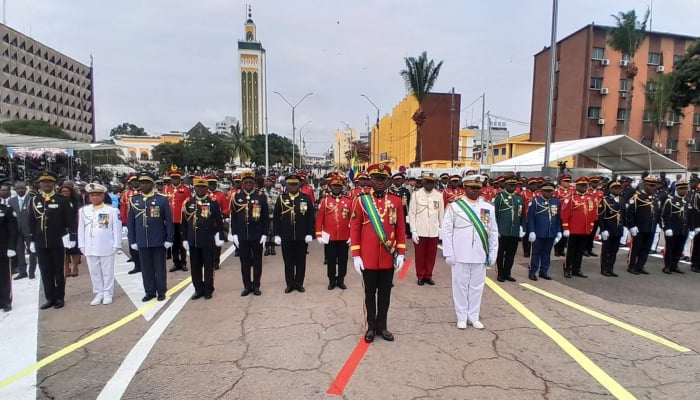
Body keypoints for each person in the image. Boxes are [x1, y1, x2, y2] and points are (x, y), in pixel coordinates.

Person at [350, 163, 406, 342]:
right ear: (370, 180)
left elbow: (400, 228)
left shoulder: (396, 201)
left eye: (383, 179)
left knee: (385, 293)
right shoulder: (361, 200)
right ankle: (371, 326)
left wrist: (401, 252)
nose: (380, 182)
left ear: (389, 181)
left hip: (388, 256)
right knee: (369, 293)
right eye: (376, 178)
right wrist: (356, 255)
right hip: (368, 257)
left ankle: (383, 326)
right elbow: (355, 228)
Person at [441, 175, 498, 330]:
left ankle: (473, 316)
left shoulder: (488, 208)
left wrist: (493, 253)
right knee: (460, 286)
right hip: (460, 253)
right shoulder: (455, 206)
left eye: (478, 188)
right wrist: (449, 252)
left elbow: (493, 232)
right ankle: (461, 316)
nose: (475, 190)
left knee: (477, 287)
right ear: (465, 188)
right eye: (472, 187)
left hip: (480, 254)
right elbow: (446, 231)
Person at [28, 171, 77, 310]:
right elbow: (31, 222)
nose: (46, 184)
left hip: (57, 241)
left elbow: (70, 220)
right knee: (45, 270)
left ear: (54, 184)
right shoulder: (34, 200)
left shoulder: (62, 200)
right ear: (40, 184)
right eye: (43, 182)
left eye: (49, 182)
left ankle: (60, 297)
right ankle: (50, 298)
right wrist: (31, 240)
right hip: (40, 242)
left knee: (58, 270)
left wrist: (72, 236)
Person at [127, 172, 174, 302]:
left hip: (158, 239)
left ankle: (161, 291)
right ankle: (149, 291)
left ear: (152, 184)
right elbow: (131, 222)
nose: (143, 185)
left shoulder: (161, 199)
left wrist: (169, 238)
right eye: (141, 183)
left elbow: (168, 220)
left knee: (159, 268)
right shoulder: (134, 200)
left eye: (146, 183)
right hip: (142, 240)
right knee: (146, 268)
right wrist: (132, 240)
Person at [78, 183, 122, 306]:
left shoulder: (111, 210)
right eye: (92, 195)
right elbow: (81, 229)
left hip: (106, 245)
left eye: (97, 195)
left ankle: (108, 292)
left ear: (103, 196)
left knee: (107, 271)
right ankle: (99, 292)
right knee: (94, 271)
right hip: (89, 246)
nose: (94, 197)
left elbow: (116, 228)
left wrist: (116, 244)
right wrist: (81, 244)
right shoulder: (83, 210)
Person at [182, 177, 224, 300]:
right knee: (195, 267)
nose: (200, 189)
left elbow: (219, 221)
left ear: (206, 188)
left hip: (207, 239)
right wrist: (184, 238)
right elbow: (184, 223)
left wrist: (220, 235)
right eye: (198, 187)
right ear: (194, 188)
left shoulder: (212, 202)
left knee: (208, 266)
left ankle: (208, 289)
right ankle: (198, 289)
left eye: (203, 187)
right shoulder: (188, 203)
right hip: (193, 240)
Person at [274, 173, 315, 293]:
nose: (293, 187)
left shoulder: (305, 198)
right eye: (290, 184)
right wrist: (276, 234)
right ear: (286, 185)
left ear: (299, 185)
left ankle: (299, 283)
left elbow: (310, 218)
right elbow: (276, 218)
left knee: (301, 261)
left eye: (295, 184)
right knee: (288, 261)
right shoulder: (281, 198)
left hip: (302, 236)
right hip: (286, 235)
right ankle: (290, 283)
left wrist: (310, 233)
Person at [230, 170, 268, 296]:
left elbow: (265, 217)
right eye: (245, 182)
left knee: (257, 262)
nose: (248, 184)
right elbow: (234, 217)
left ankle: (256, 285)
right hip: (242, 235)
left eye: (250, 182)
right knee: (244, 262)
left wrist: (264, 234)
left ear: (254, 183)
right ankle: (247, 286)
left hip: (257, 234)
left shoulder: (261, 196)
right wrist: (234, 234)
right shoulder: (236, 197)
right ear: (242, 183)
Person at [315, 173, 352, 290]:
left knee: (343, 260)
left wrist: (352, 235)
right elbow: (319, 219)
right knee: (330, 260)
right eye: (334, 186)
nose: (336, 188)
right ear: (330, 187)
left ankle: (341, 280)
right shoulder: (324, 201)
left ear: (342, 187)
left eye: (339, 186)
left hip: (344, 236)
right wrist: (318, 234)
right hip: (329, 237)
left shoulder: (348, 201)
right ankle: (331, 280)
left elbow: (352, 220)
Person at [408, 171, 444, 286]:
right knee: (420, 256)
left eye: (432, 182)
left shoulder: (438, 195)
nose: (429, 184)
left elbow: (441, 213)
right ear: (423, 182)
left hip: (433, 231)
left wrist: (441, 229)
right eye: (427, 182)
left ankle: (428, 275)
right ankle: (420, 276)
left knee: (431, 255)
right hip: (420, 230)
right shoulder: (416, 195)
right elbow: (412, 214)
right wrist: (413, 231)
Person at [561, 177, 596, 278]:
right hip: (573, 229)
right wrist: (565, 228)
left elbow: (593, 213)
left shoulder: (590, 197)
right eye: (581, 186)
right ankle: (567, 268)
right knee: (571, 250)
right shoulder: (571, 197)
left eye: (585, 185)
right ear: (577, 186)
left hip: (585, 229)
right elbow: (565, 213)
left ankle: (577, 269)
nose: (583, 187)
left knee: (580, 250)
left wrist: (591, 225)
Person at [526, 181, 562, 281]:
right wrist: (531, 231)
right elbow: (531, 218)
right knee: (536, 253)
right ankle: (532, 271)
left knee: (547, 253)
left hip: (551, 232)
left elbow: (558, 218)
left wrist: (559, 231)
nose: (549, 193)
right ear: (542, 191)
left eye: (551, 191)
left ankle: (544, 271)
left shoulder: (556, 202)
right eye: (546, 191)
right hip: (538, 232)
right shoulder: (535, 201)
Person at [493, 176, 525, 282]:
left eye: (514, 185)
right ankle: (500, 273)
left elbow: (522, 215)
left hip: (514, 231)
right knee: (500, 253)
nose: (512, 187)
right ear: (505, 185)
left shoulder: (519, 198)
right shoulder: (500, 197)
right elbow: (494, 214)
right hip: (502, 230)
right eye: (510, 185)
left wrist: (522, 228)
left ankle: (507, 273)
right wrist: (495, 229)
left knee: (511, 254)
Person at [626, 177, 658, 275]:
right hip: (639, 227)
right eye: (650, 186)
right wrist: (632, 226)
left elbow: (657, 213)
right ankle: (631, 266)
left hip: (650, 227)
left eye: (654, 186)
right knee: (636, 248)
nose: (652, 188)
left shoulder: (655, 198)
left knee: (646, 248)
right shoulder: (637, 197)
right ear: (644, 185)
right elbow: (630, 213)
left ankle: (640, 266)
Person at [161, 167, 191, 272]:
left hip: (182, 220)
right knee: (173, 243)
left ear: (180, 178)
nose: (175, 180)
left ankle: (183, 263)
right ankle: (175, 262)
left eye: (176, 178)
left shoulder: (186, 190)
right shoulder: (166, 189)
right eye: (173, 178)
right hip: (170, 221)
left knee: (182, 242)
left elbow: (189, 205)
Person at [660, 179, 690, 274]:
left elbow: (691, 216)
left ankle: (675, 265)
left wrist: (692, 228)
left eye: (685, 188)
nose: (684, 191)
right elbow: (664, 215)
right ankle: (667, 266)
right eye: (682, 189)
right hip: (672, 229)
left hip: (683, 229)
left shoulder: (688, 201)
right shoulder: (670, 200)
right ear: (677, 189)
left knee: (679, 248)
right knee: (670, 248)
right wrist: (667, 228)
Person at [9, 182, 37, 280]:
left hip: (29, 229)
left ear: (26, 189)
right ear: (15, 190)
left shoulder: (32, 199)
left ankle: (32, 271)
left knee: (32, 250)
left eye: (21, 188)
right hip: (17, 230)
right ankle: (22, 271)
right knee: (19, 251)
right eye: (17, 189)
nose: (19, 190)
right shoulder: (11, 201)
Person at [598, 181, 624, 277]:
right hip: (608, 230)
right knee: (606, 251)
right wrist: (602, 230)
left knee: (614, 251)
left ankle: (610, 268)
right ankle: (604, 268)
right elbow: (600, 217)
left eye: (619, 188)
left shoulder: (621, 200)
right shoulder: (605, 200)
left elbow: (623, 215)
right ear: (610, 189)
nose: (617, 189)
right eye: (615, 188)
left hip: (618, 230)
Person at [59, 183, 82, 277]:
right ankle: (66, 267)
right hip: (61, 228)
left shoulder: (75, 201)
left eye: (67, 191)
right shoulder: (57, 201)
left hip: (74, 227)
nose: (65, 193)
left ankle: (75, 267)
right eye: (63, 191)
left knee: (74, 249)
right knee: (64, 250)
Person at [121, 174, 142, 275]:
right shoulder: (126, 193)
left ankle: (143, 264)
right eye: (133, 181)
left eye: (137, 181)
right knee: (132, 243)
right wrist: (124, 223)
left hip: (141, 221)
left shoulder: (143, 192)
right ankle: (137, 265)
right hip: (130, 221)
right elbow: (124, 208)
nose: (135, 183)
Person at [207, 175, 229, 270]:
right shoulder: (204, 194)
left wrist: (222, 214)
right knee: (207, 244)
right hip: (206, 224)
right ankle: (208, 261)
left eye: (213, 184)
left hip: (217, 223)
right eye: (210, 184)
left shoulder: (221, 195)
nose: (212, 186)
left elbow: (226, 208)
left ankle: (216, 261)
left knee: (217, 244)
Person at [0, 194, 18, 312]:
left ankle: (6, 300)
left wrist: (11, 247)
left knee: (4, 275)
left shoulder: (6, 209)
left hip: (3, 248)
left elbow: (13, 230)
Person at [553, 174, 574, 256]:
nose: (567, 183)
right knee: (558, 232)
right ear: (561, 182)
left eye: (568, 181)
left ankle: (562, 249)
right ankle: (557, 250)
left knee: (566, 233)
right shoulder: (556, 192)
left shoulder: (572, 191)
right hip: (559, 215)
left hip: (569, 216)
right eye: (565, 181)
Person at [262, 176, 280, 256]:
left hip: (274, 216)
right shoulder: (261, 192)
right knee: (265, 231)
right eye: (266, 181)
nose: (268, 182)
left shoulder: (276, 192)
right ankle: (266, 248)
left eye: (269, 181)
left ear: (272, 183)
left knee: (273, 232)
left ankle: (273, 248)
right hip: (264, 216)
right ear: (264, 183)